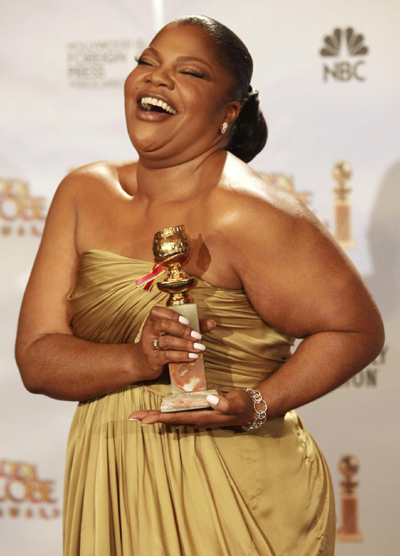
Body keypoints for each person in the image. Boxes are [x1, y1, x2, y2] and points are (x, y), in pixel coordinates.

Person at [15, 15, 384, 556]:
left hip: (233, 489)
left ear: (227, 114)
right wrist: (136, 361)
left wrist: (258, 403)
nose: (155, 79)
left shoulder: (249, 211)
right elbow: (37, 358)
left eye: (188, 72)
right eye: (146, 62)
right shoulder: (82, 192)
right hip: (113, 475)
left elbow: (357, 329)